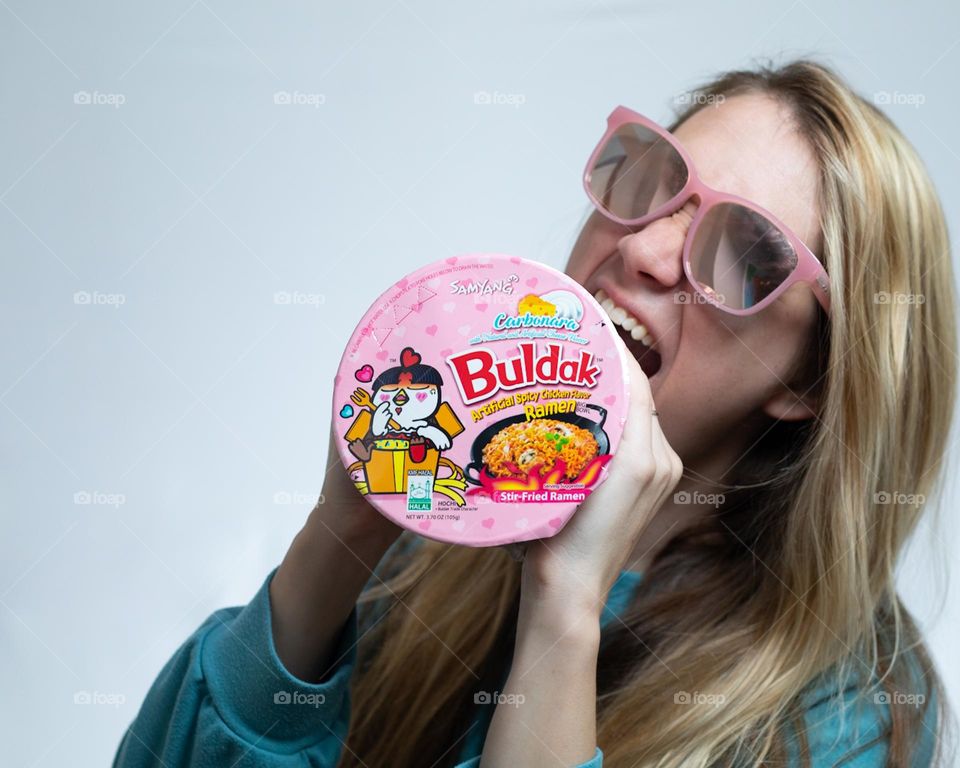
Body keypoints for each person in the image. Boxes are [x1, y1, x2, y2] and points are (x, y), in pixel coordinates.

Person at [113, 59, 955, 767]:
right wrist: (349, 524)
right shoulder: (444, 518)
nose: (643, 248)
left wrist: (565, 603)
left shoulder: (857, 715)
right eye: (652, 183)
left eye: (743, 256)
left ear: (810, 378)